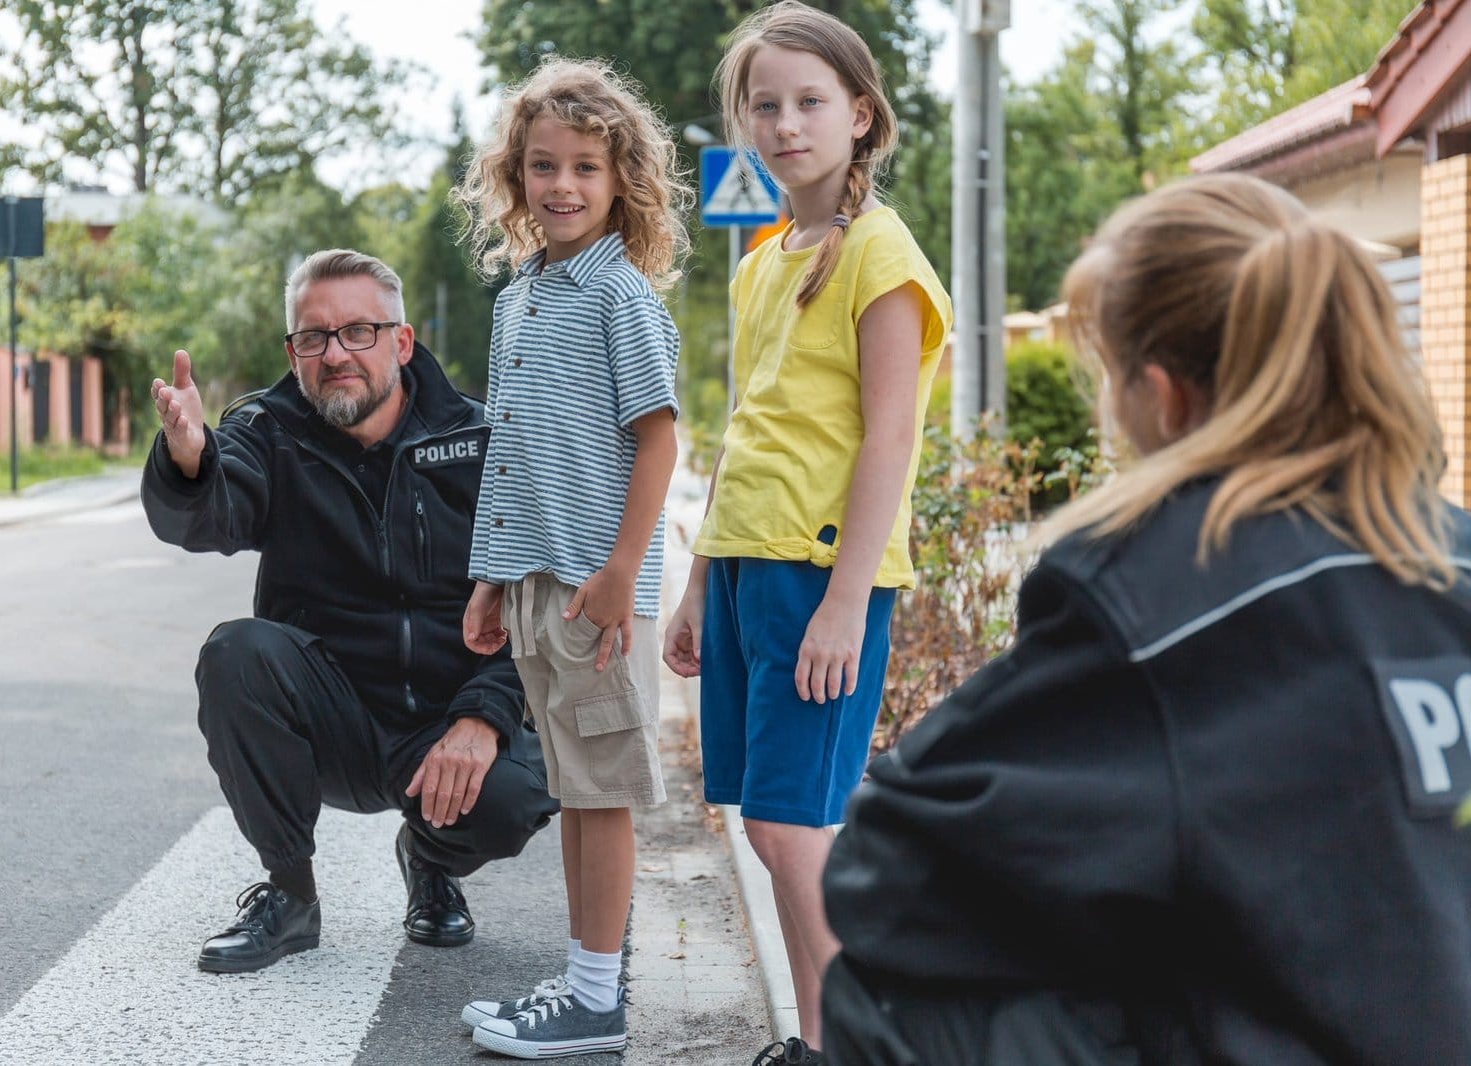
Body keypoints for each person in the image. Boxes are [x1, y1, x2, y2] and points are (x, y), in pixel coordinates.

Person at [820, 173, 1471, 1065]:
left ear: (1164, 399)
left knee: (883, 995)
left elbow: (886, 873)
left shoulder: (1161, 594)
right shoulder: (1454, 554)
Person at [661, 5, 951, 1063]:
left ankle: (866, 1043)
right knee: (768, 825)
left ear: (860, 115)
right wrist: (699, 582)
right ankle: (817, 1041)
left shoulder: (882, 254)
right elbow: (751, 429)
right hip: (746, 568)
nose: (786, 123)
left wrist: (842, 598)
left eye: (809, 101)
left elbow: (890, 439)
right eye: (764, 105)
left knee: (793, 828)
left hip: (824, 575)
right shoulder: (763, 260)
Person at [142, 249, 557, 975]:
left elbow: (530, 598)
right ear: (294, 353)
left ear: (401, 341)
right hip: (330, 720)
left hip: (441, 722)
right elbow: (212, 515)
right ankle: (290, 894)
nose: (335, 353)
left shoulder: (478, 439)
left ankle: (430, 859)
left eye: (358, 332)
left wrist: (485, 715)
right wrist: (189, 459)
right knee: (237, 652)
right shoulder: (268, 433)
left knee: (527, 785)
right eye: (314, 337)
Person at [449, 56, 689, 1059]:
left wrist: (620, 570)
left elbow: (659, 436)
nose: (563, 187)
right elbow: (512, 447)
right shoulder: (521, 298)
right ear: (514, 177)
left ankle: (597, 994)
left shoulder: (615, 294)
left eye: (585, 168)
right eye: (543, 166)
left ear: (619, 179)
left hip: (597, 583)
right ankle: (588, 979)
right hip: (540, 581)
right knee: (577, 787)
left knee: (600, 790)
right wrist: (489, 575)